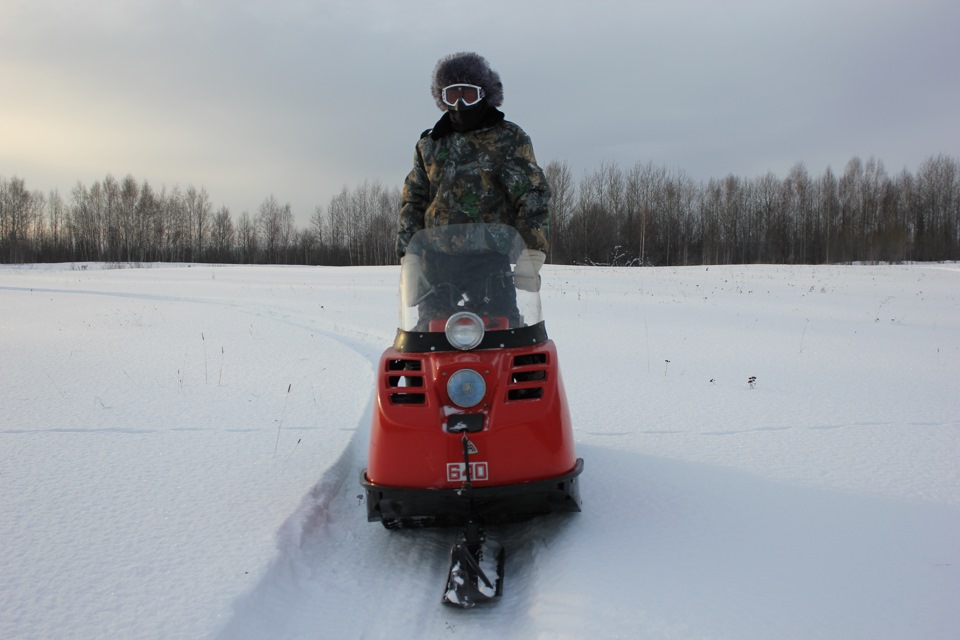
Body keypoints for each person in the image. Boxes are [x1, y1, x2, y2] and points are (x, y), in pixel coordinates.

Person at [396, 52, 552, 326]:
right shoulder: (430, 144)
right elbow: (414, 200)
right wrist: (409, 255)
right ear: (440, 98)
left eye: (468, 94)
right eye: (451, 94)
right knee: (431, 339)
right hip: (436, 261)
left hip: (489, 261)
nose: (459, 104)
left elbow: (531, 192)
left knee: (503, 335)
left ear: (485, 95)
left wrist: (532, 250)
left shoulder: (508, 138)